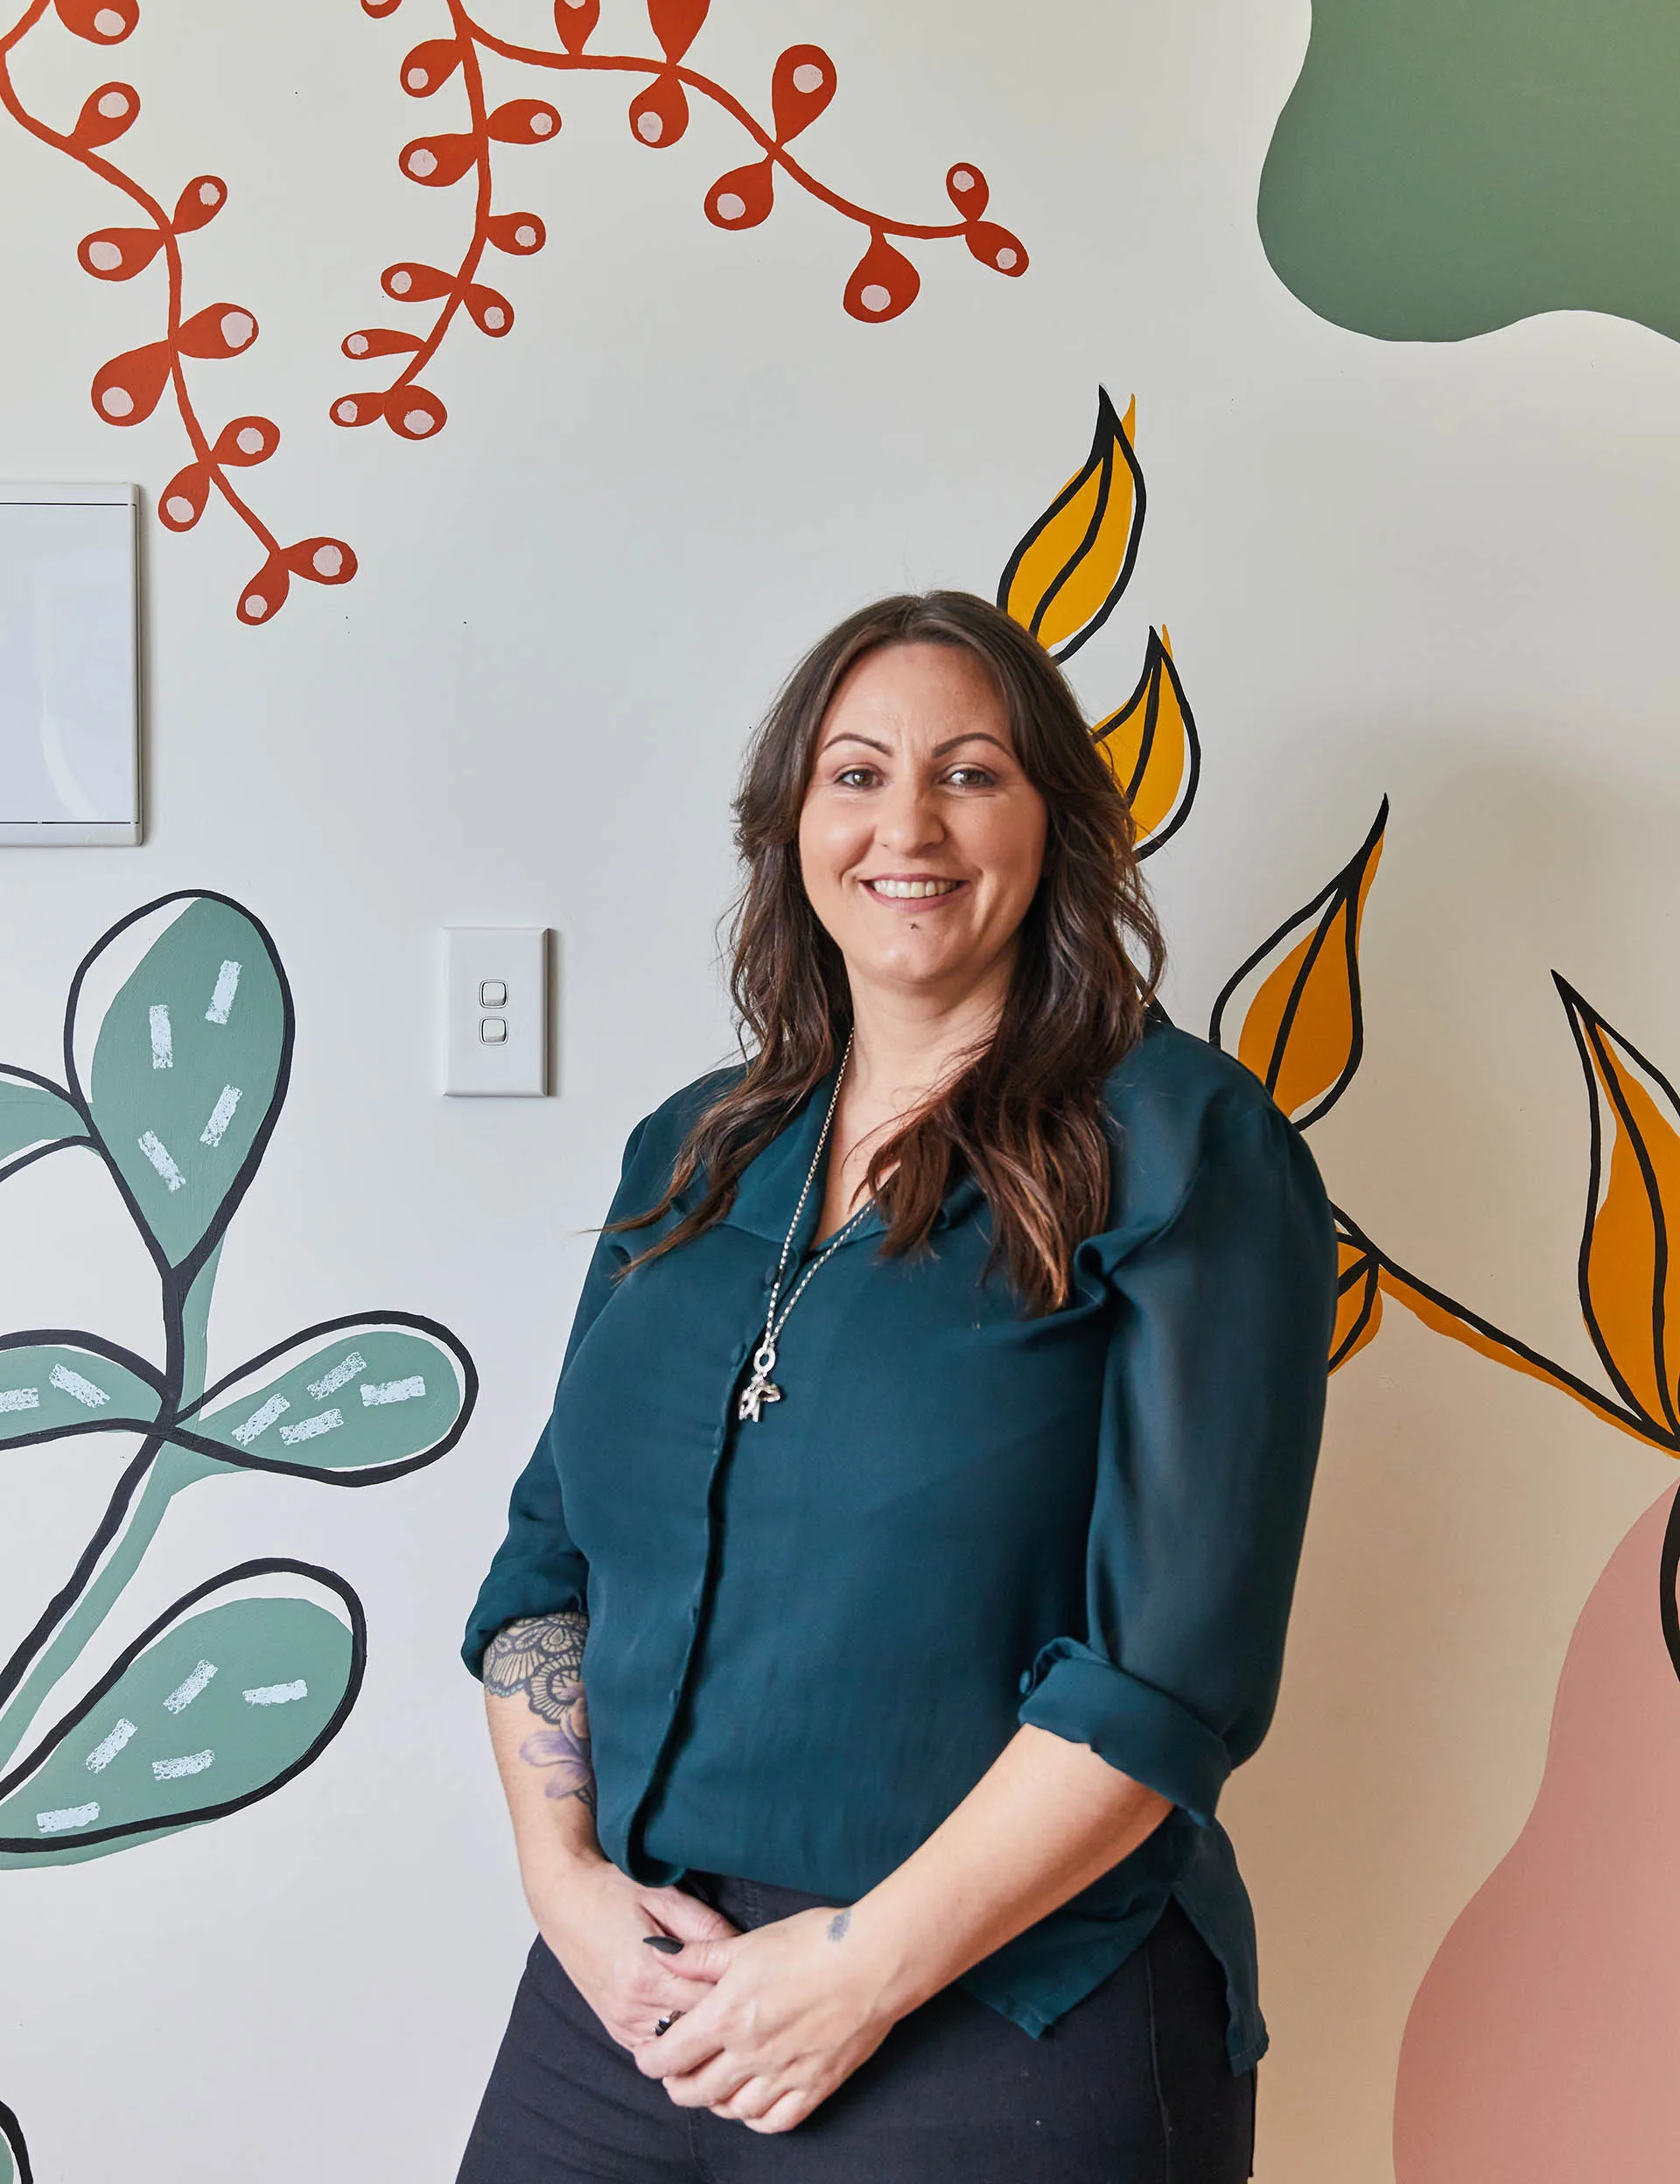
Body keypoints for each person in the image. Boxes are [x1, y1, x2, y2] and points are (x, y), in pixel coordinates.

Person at [456, 591, 1337, 2183]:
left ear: (1055, 820)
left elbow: (1167, 1677)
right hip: (627, 1997)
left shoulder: (1190, 1145)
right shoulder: (694, 1146)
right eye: (855, 775)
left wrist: (859, 1972)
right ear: (791, 822)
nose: (906, 824)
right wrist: (565, 1888)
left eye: (972, 773)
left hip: (1006, 2023)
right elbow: (549, 1560)